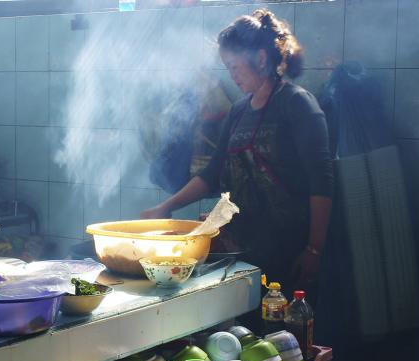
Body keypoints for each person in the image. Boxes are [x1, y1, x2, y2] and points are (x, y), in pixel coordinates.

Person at [141, 8, 333, 292]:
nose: (231, 75)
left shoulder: (298, 105)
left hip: (291, 251)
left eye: (234, 66)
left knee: (285, 331)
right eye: (227, 67)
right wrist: (165, 207)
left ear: (261, 58)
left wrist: (314, 250)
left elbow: (322, 183)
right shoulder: (239, 112)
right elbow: (212, 174)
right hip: (244, 251)